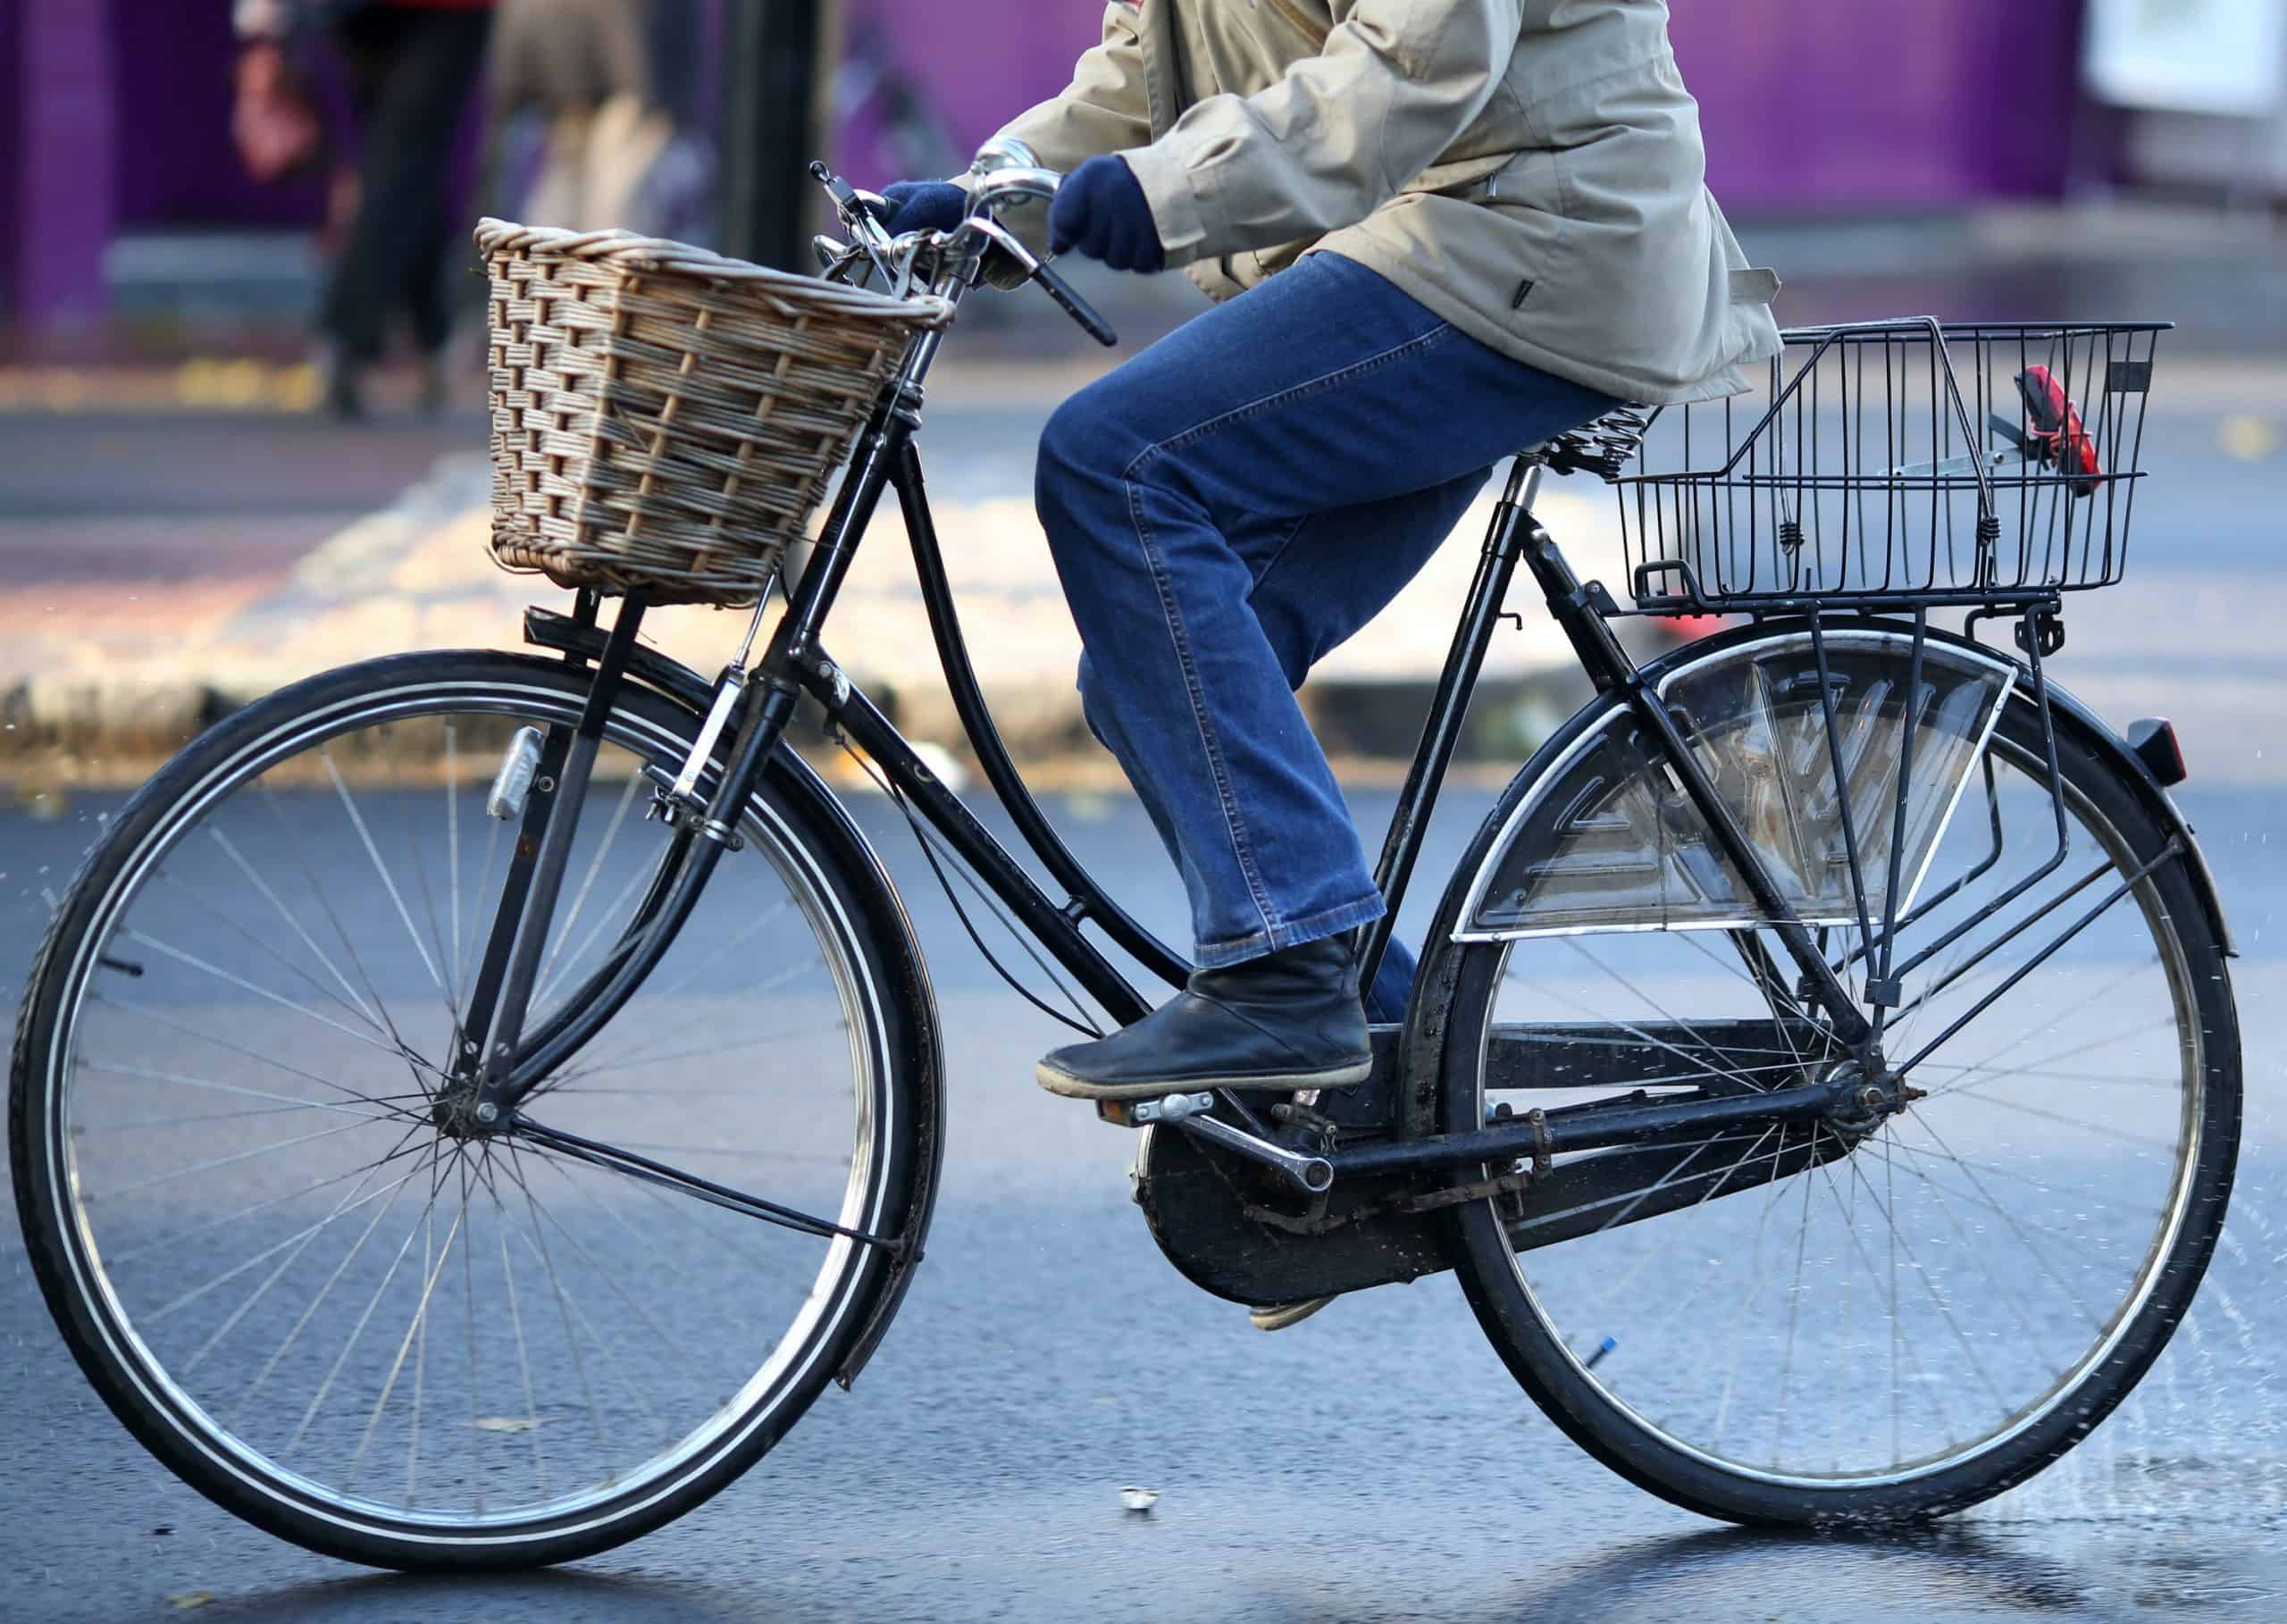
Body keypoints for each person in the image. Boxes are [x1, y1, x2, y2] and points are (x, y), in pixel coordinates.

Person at [876, 1, 1780, 1108]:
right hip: (1424, 240)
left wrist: (1163, 196)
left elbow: (1417, 60)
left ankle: (1286, 972)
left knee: (1117, 460)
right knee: (1146, 668)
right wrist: (1000, 185)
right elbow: (1145, 69)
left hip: (1535, 232)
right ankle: (1387, 1094)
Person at [234, 0, 495, 416]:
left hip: (432, 12)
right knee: (403, 161)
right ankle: (358, 336)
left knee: (404, 159)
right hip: (376, 14)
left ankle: (410, 338)